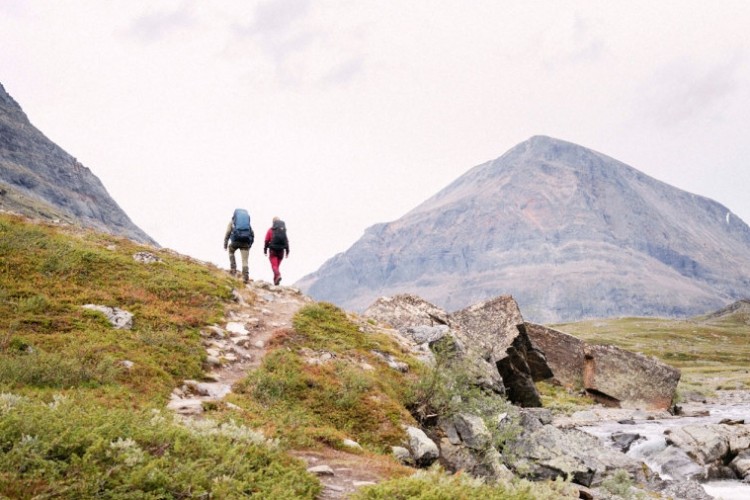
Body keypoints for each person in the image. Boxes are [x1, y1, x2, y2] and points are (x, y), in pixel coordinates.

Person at [223, 208, 254, 283]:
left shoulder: (232, 222)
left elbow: (227, 233)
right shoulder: (247, 225)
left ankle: (233, 269)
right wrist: (249, 245)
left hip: (235, 242)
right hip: (245, 243)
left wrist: (225, 243)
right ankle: (245, 277)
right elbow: (252, 234)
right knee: (245, 261)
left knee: (231, 250)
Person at [264, 217, 289, 285]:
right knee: (276, 266)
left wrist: (265, 250)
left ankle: (278, 275)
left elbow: (266, 240)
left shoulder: (270, 230)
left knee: (274, 266)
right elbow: (286, 241)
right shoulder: (283, 231)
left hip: (273, 251)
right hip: (281, 251)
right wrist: (287, 252)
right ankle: (276, 282)